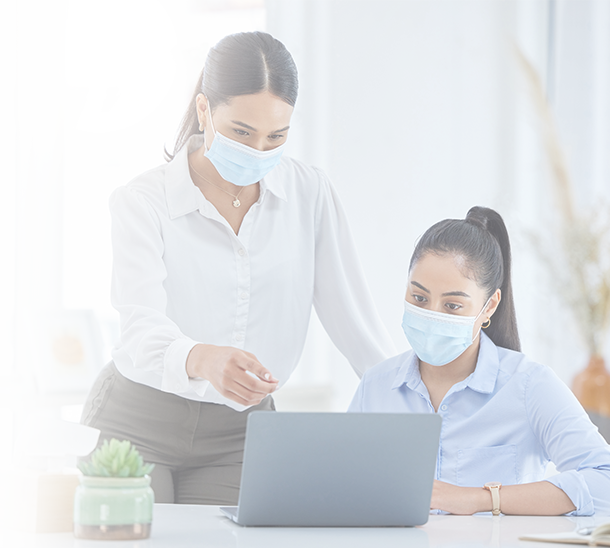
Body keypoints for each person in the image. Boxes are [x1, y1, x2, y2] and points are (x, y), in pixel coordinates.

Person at [81, 31, 395, 504]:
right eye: (242, 133)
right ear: (205, 110)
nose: (259, 152)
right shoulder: (143, 202)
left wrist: (412, 406)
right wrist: (204, 357)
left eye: (277, 137)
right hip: (137, 419)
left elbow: (354, 320)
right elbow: (140, 325)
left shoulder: (309, 195)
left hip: (241, 430)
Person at [349, 206, 610, 516]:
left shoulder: (530, 385)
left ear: (489, 307)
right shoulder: (376, 386)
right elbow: (341, 486)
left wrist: (478, 499)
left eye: (452, 305)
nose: (433, 313)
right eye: (419, 298)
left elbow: (603, 480)